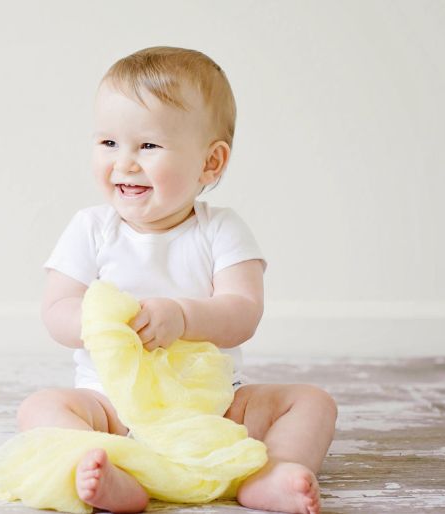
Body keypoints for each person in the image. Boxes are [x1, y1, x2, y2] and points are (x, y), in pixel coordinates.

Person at [17, 46, 337, 514]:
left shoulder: (220, 229)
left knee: (313, 402)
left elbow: (243, 312)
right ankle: (114, 471)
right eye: (108, 143)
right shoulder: (90, 228)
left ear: (211, 162)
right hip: (111, 406)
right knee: (40, 408)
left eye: (147, 146)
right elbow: (56, 310)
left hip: (212, 408)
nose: (124, 162)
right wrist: (105, 326)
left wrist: (183, 316)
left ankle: (274, 472)